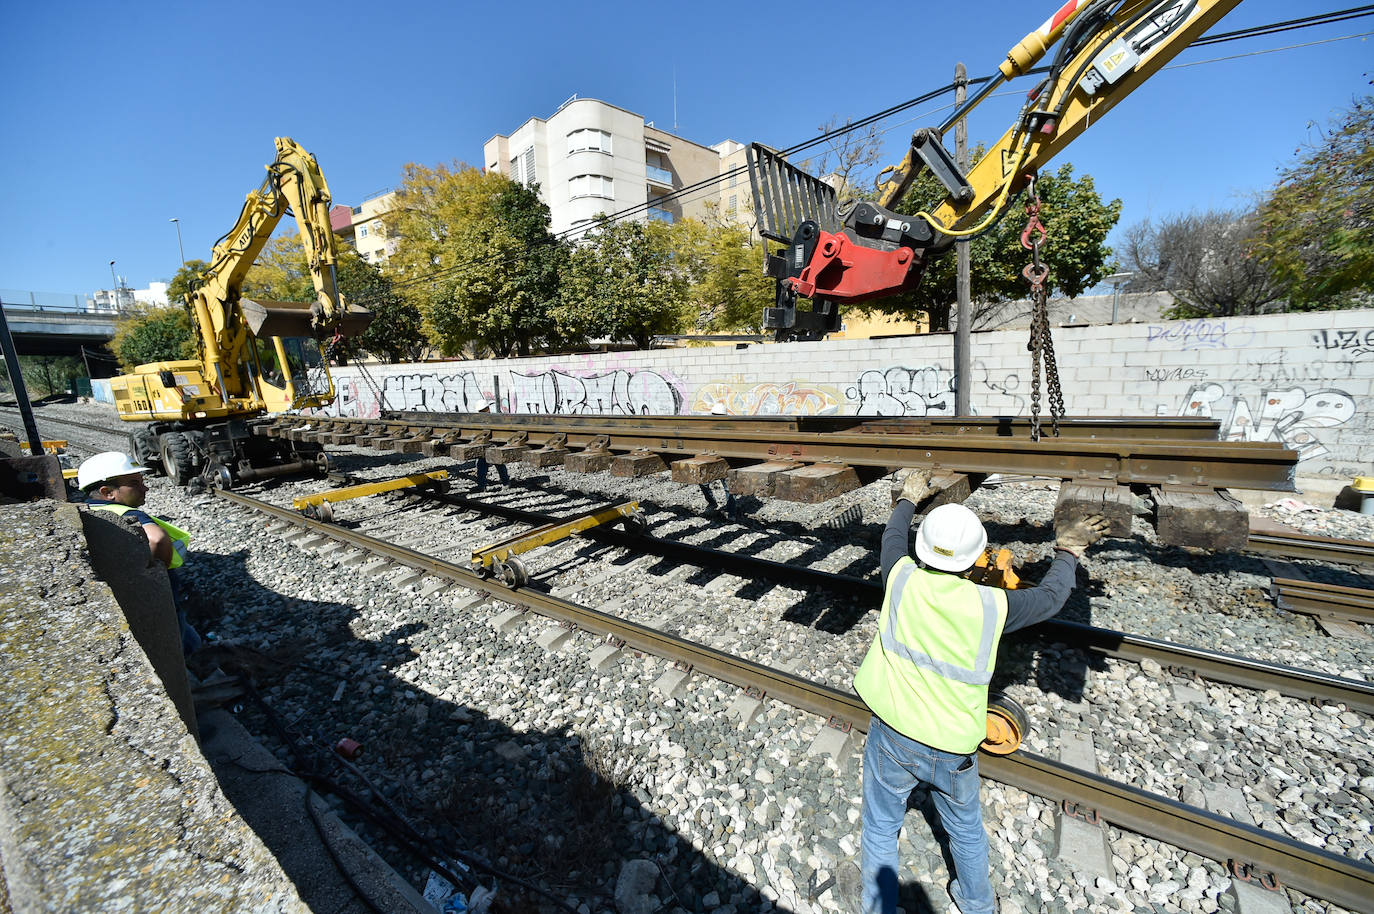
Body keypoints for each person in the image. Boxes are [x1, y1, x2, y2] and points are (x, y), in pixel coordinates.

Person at [854, 470, 1109, 914]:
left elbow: (891, 540)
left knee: (879, 826)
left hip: (891, 732)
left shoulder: (900, 578)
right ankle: (976, 905)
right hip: (952, 745)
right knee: (965, 827)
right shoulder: (992, 606)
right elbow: (1050, 598)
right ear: (975, 559)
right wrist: (1067, 551)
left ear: (923, 551)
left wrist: (908, 500)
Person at [77, 451, 202, 655]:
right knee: (182, 644)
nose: (145, 488)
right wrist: (157, 572)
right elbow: (157, 539)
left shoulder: (87, 510)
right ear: (108, 492)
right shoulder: (130, 514)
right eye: (135, 483)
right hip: (159, 600)